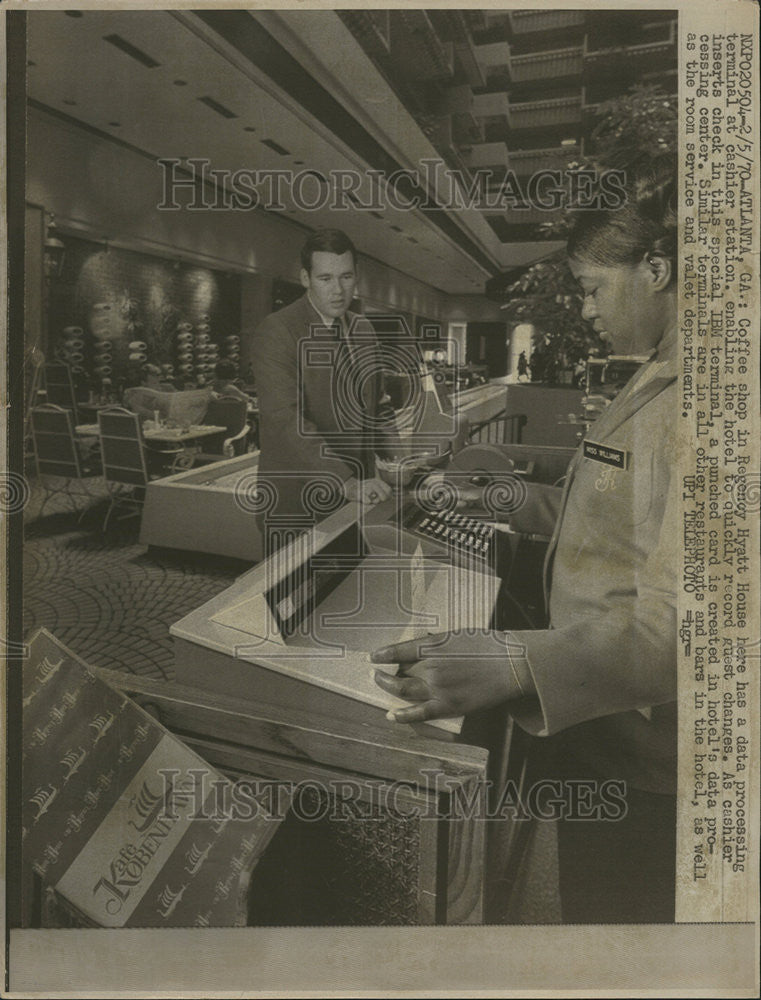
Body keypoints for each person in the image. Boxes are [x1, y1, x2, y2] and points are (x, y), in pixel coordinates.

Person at [373, 160, 679, 924]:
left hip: (644, 751)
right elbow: (604, 507)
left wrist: (512, 660)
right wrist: (491, 492)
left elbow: (690, 630)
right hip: (595, 718)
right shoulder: (657, 373)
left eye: (589, 288)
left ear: (657, 268)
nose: (582, 310)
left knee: (615, 930)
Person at [252, 229, 397, 534]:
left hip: (358, 501)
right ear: (305, 278)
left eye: (346, 277)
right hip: (297, 507)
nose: (338, 290)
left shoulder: (364, 330)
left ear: (356, 276)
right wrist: (345, 481)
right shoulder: (278, 330)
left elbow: (379, 404)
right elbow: (285, 421)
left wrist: (397, 460)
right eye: (325, 279)